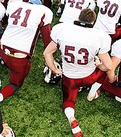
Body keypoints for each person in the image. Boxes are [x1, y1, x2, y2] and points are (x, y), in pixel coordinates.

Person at [43, 8, 113, 136]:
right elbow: (108, 66)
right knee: (103, 72)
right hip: (89, 76)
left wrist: (54, 69)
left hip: (69, 77)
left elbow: (47, 53)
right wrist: (98, 64)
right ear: (93, 22)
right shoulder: (100, 36)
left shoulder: (62, 29)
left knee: (68, 101)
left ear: (78, 17)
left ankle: (72, 120)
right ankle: (92, 93)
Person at [0, 0, 53, 101]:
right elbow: (47, 40)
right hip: (19, 56)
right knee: (16, 83)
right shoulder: (43, 12)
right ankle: (0, 96)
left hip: (2, 49)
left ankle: (4, 61)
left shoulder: (14, 5)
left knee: (21, 65)